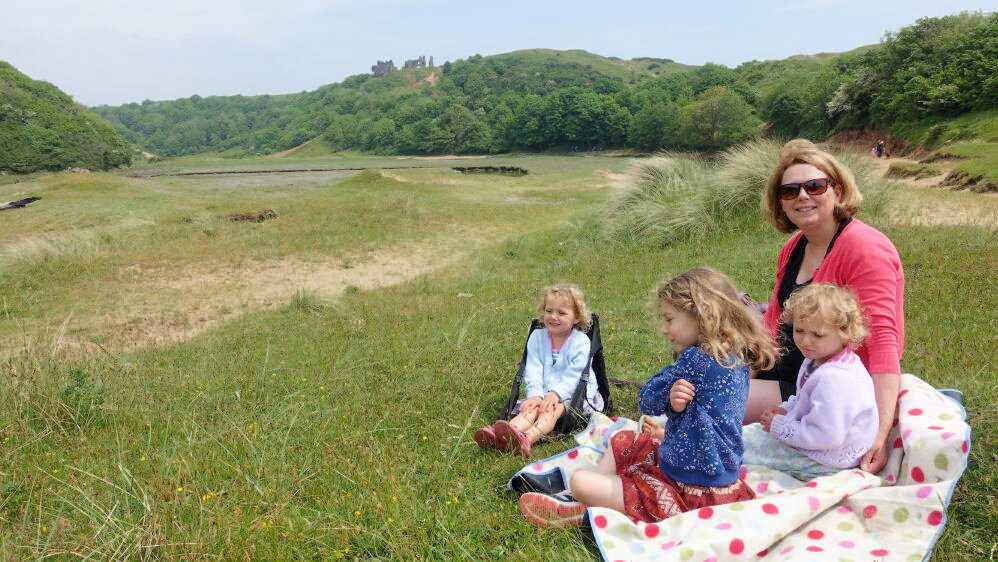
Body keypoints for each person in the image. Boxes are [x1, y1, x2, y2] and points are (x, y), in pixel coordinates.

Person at [518, 268, 775, 527]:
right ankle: (584, 504)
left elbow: (648, 400)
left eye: (669, 319)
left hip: (686, 492)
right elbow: (710, 418)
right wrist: (674, 408)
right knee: (624, 440)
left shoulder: (696, 359)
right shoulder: (737, 357)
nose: (664, 328)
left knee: (581, 481)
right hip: (720, 483)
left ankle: (584, 508)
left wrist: (668, 396)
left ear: (702, 316)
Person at [748, 139, 904, 474]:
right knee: (706, 374)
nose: (802, 196)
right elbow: (773, 321)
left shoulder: (864, 248)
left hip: (820, 387)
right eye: (790, 191)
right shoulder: (794, 246)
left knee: (707, 402)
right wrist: (742, 372)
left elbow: (882, 342)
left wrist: (879, 432)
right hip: (794, 369)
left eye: (815, 186)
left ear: (838, 190)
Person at [743, 283, 878, 480]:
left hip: (828, 459)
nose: (806, 341)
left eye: (817, 334)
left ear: (845, 333)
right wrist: (786, 410)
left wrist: (779, 426)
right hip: (817, 441)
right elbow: (806, 400)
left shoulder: (835, 380)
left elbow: (828, 436)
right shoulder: (818, 359)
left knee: (741, 450)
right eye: (799, 330)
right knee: (745, 437)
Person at [474, 284, 600, 457]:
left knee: (550, 410)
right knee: (530, 408)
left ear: (576, 317)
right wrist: (535, 394)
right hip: (543, 391)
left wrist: (556, 394)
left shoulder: (581, 342)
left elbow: (575, 375)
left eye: (561, 313)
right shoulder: (537, 337)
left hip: (574, 393)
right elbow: (533, 368)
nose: (553, 317)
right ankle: (505, 434)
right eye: (549, 311)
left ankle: (527, 438)